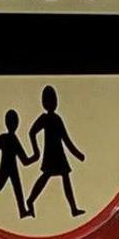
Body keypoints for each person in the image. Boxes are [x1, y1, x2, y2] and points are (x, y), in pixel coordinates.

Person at [23, 84, 85, 218]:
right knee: (49, 177)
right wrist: (36, 150)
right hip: (52, 153)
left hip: (58, 153)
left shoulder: (56, 119)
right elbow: (32, 132)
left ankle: (73, 208)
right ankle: (30, 199)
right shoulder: (47, 119)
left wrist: (77, 154)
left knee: (62, 178)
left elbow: (65, 138)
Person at [0, 108, 33, 218]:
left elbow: (24, 160)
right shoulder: (6, 138)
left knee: (17, 188)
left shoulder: (13, 138)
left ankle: (22, 210)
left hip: (13, 168)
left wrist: (34, 157)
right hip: (6, 167)